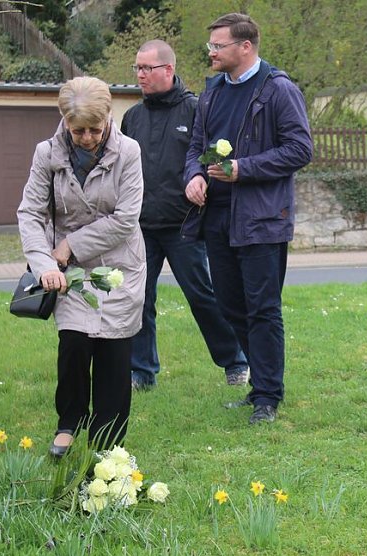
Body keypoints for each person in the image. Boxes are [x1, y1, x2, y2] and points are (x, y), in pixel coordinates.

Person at [184, 13, 312, 425]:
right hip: (216, 218)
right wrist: (195, 176)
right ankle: (260, 385)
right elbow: (196, 147)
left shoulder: (278, 90)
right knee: (229, 304)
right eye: (211, 46)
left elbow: (300, 149)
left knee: (262, 309)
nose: (211, 53)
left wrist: (244, 169)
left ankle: (267, 396)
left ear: (245, 47)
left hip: (261, 219)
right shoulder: (211, 93)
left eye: (217, 46)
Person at [17, 76, 146, 456]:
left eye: (95, 128)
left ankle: (108, 443)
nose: (88, 138)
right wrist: (44, 265)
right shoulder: (46, 154)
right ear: (64, 121)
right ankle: (69, 422)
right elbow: (31, 213)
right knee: (73, 344)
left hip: (118, 265)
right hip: (67, 273)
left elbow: (126, 219)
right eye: (78, 131)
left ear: (109, 117)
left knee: (113, 354)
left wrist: (70, 244)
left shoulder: (130, 152)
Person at [121, 39, 249, 391]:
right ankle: (141, 371)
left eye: (147, 68)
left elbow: (214, 156)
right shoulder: (132, 118)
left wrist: (201, 180)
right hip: (141, 226)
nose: (140, 75)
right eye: (137, 68)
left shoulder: (196, 109)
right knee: (138, 299)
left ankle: (235, 361)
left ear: (168, 69)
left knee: (202, 296)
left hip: (185, 225)